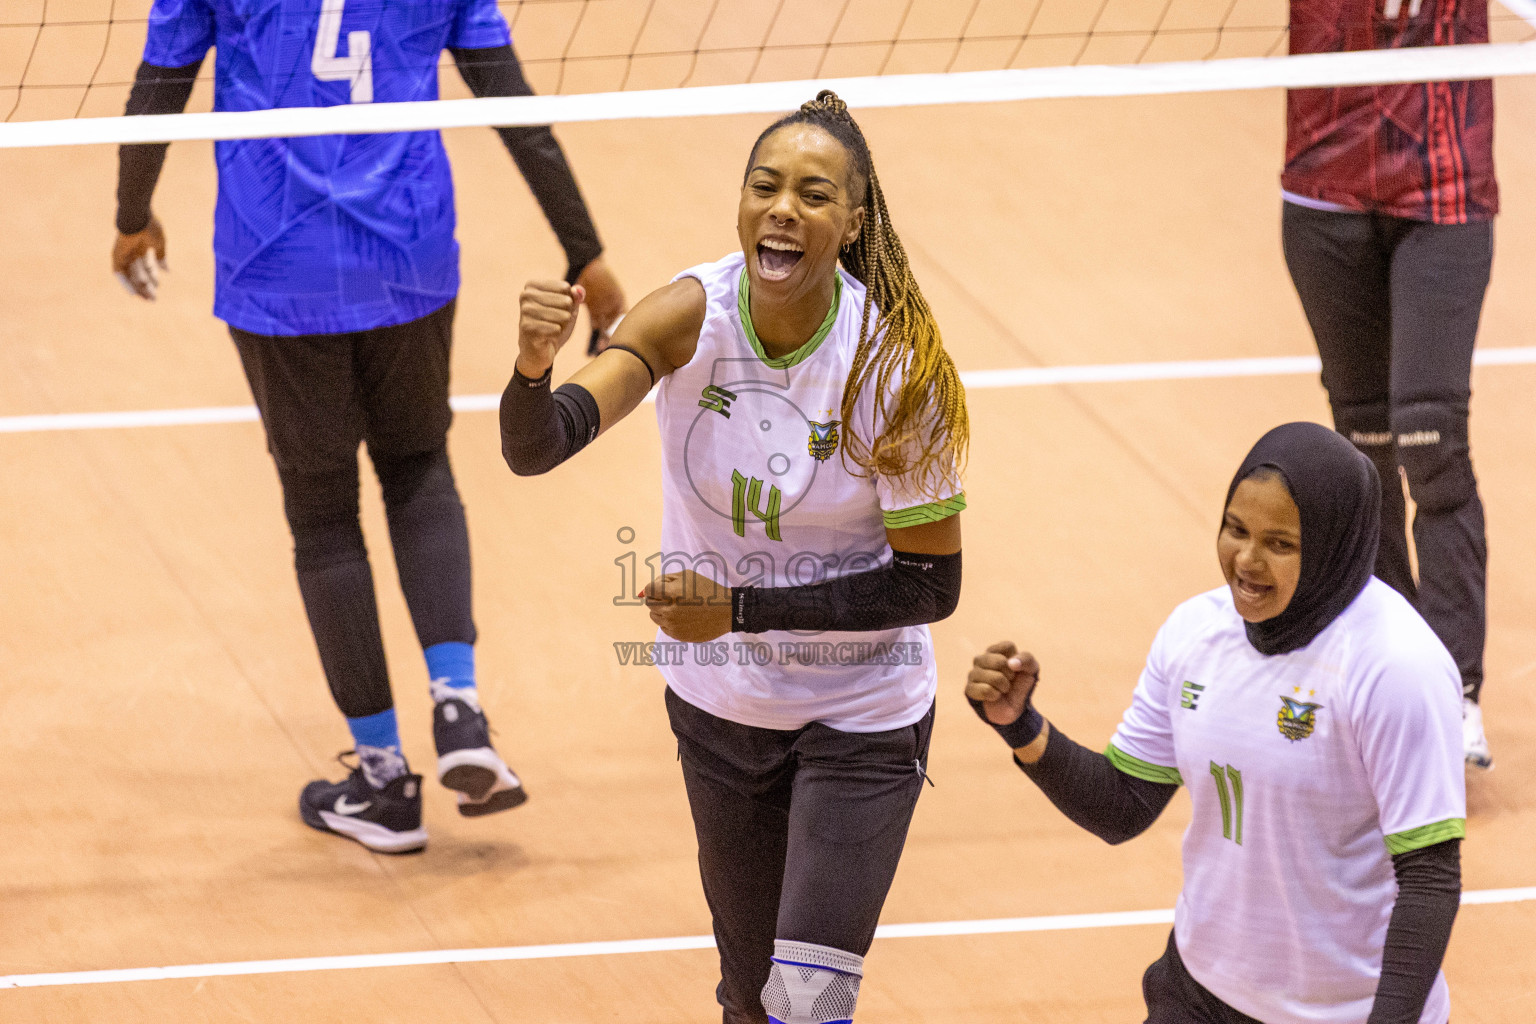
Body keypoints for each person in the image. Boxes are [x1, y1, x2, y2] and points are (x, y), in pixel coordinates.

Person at [109, 0, 626, 853]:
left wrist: (133, 215)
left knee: (321, 513)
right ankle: (459, 710)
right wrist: (586, 250)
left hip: (278, 268)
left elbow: (157, 89)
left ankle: (383, 780)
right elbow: (512, 104)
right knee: (420, 468)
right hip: (409, 257)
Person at [500, 90, 967, 1024]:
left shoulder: (894, 368)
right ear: (743, 204)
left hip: (862, 718)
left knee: (806, 1003)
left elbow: (930, 584)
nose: (784, 209)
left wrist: (742, 609)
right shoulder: (688, 317)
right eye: (766, 187)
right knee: (750, 1001)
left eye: (815, 194)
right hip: (724, 706)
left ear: (853, 223)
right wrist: (531, 366)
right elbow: (536, 445)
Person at [967, 422, 1464, 1024]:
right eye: (1236, 530)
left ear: (1333, 545)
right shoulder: (1195, 633)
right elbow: (1123, 805)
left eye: (1281, 544)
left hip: (1340, 1014)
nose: (1246, 562)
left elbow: (1430, 878)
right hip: (1197, 991)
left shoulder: (1395, 666)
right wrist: (1021, 727)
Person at [1280, 0, 1496, 768]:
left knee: (1432, 444)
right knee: (1362, 451)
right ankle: (1392, 685)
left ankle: (1452, 693)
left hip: (1444, 196)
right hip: (1323, 195)